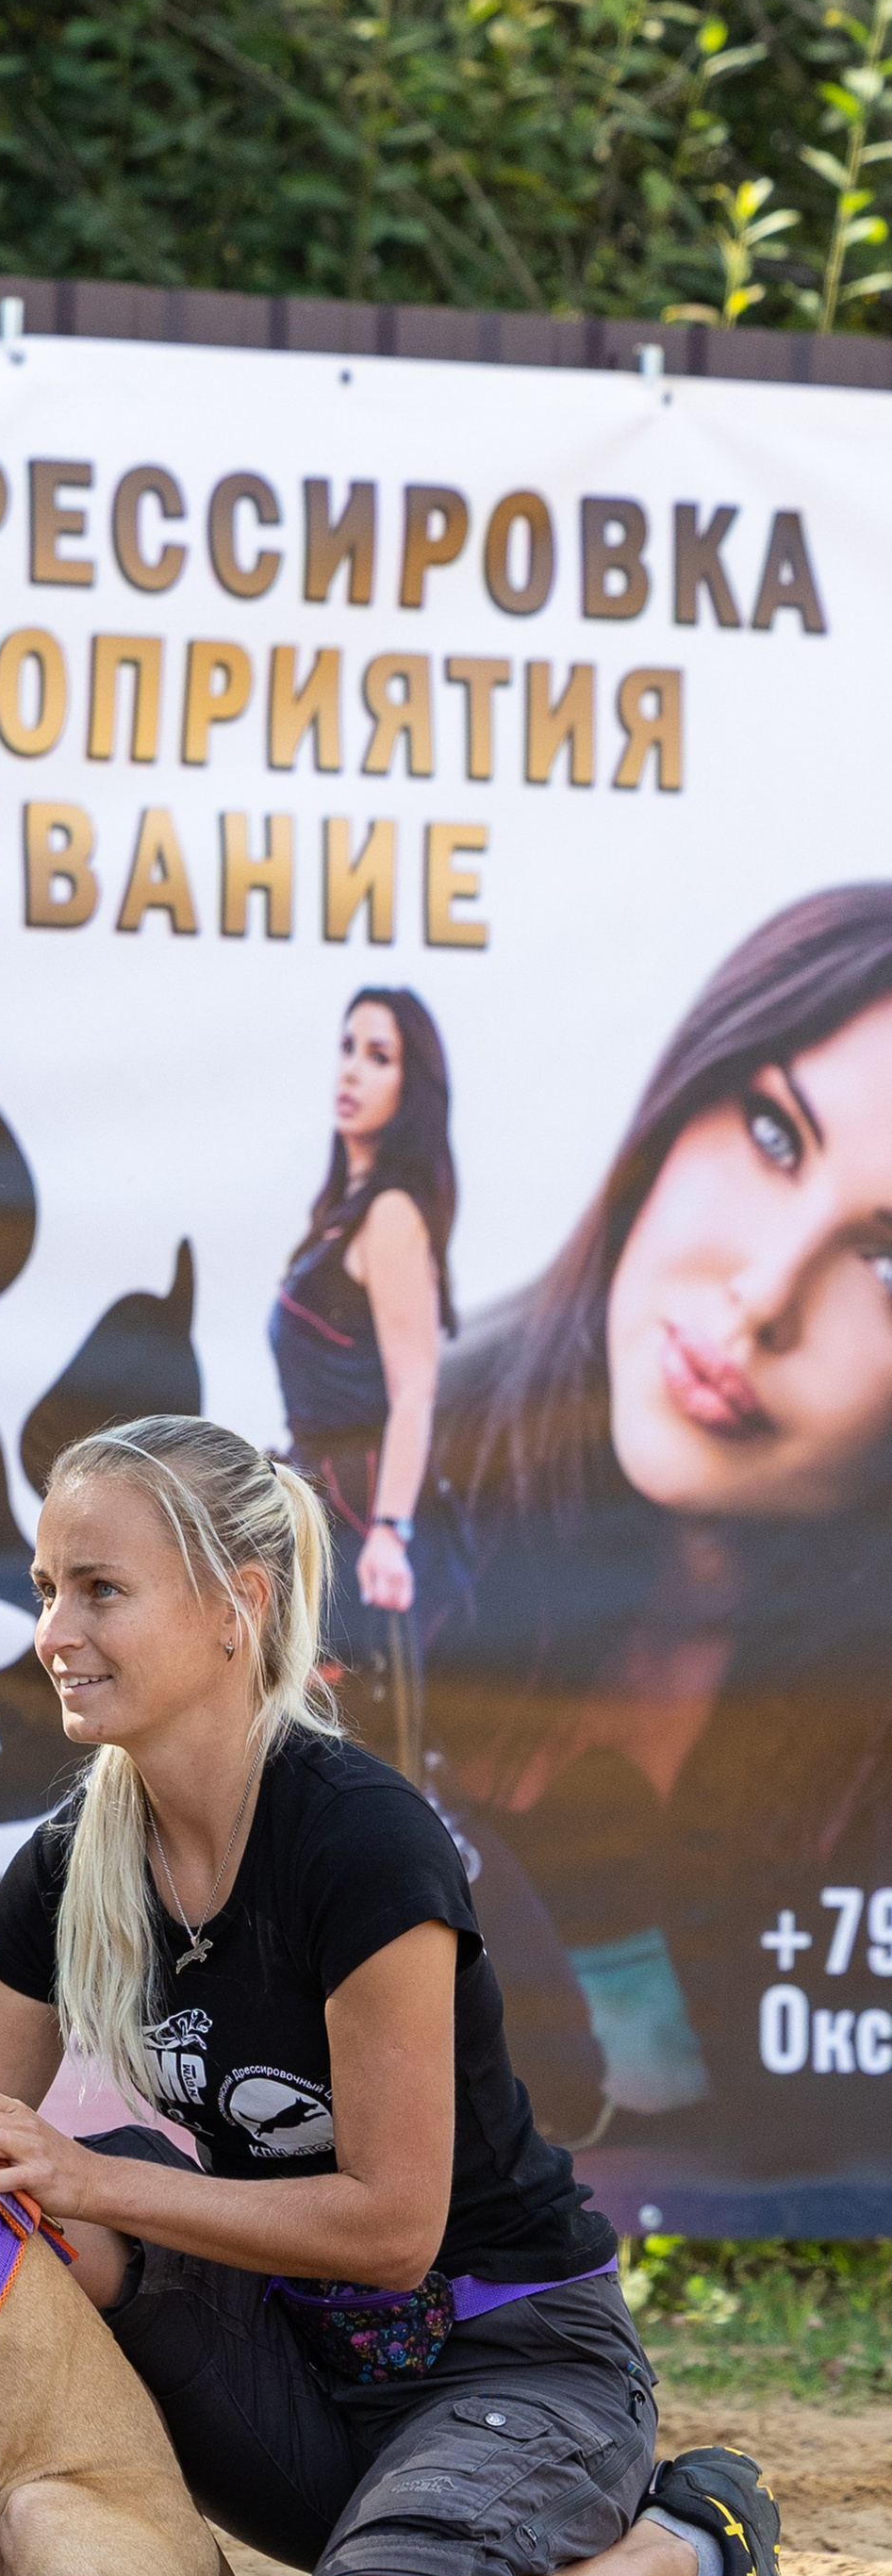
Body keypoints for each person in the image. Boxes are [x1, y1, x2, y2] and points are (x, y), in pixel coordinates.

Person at [0, 1415, 825, 2576]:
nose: (55, 1628)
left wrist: (95, 2172)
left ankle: (683, 2550)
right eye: (47, 1587)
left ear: (240, 1604)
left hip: (517, 2365)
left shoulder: (361, 1840)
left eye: (100, 1589)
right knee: (16, 2215)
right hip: (308, 2391)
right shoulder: (70, 1862)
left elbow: (393, 2228)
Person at [430, 888, 892, 2213]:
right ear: (680, 1099)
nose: (760, 1298)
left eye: (889, 1258)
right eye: (772, 1132)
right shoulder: (362, 1525)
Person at [269, 988, 459, 1776]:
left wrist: (391, 1531)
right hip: (323, 1514)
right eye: (348, 1046)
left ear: (408, 1090)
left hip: (365, 1525)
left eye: (378, 1057)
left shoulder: (391, 1216)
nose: (352, 1069)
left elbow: (415, 1390)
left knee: (365, 1766)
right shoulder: (341, 1215)